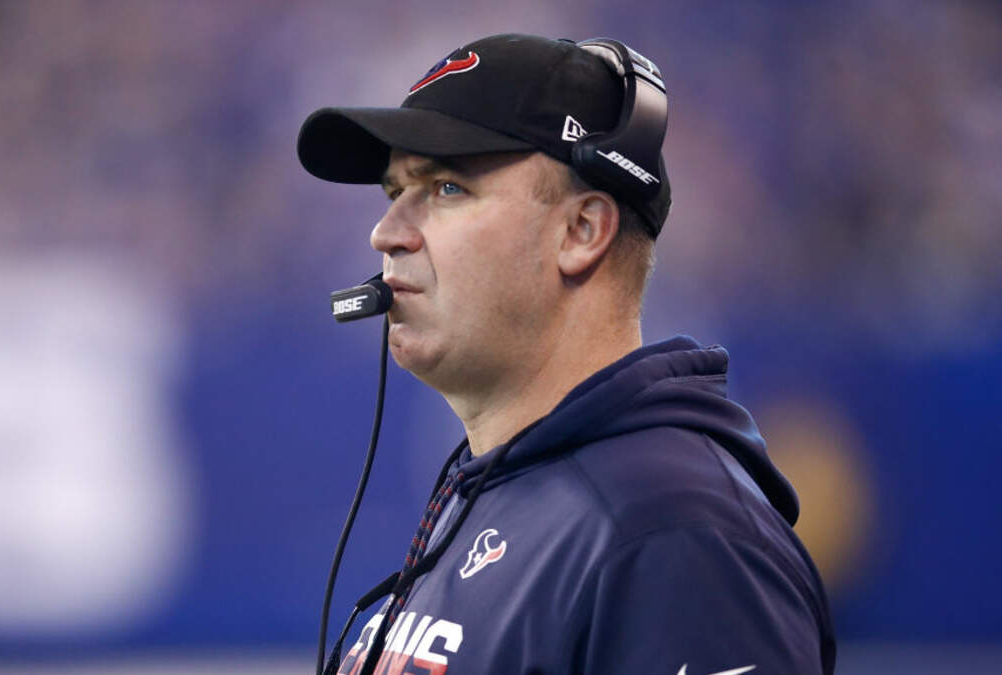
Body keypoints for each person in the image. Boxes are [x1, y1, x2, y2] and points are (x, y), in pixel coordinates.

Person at [297, 33, 836, 675]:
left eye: (446, 188)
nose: (385, 234)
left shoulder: (675, 534)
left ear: (581, 231)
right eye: (394, 193)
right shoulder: (503, 489)